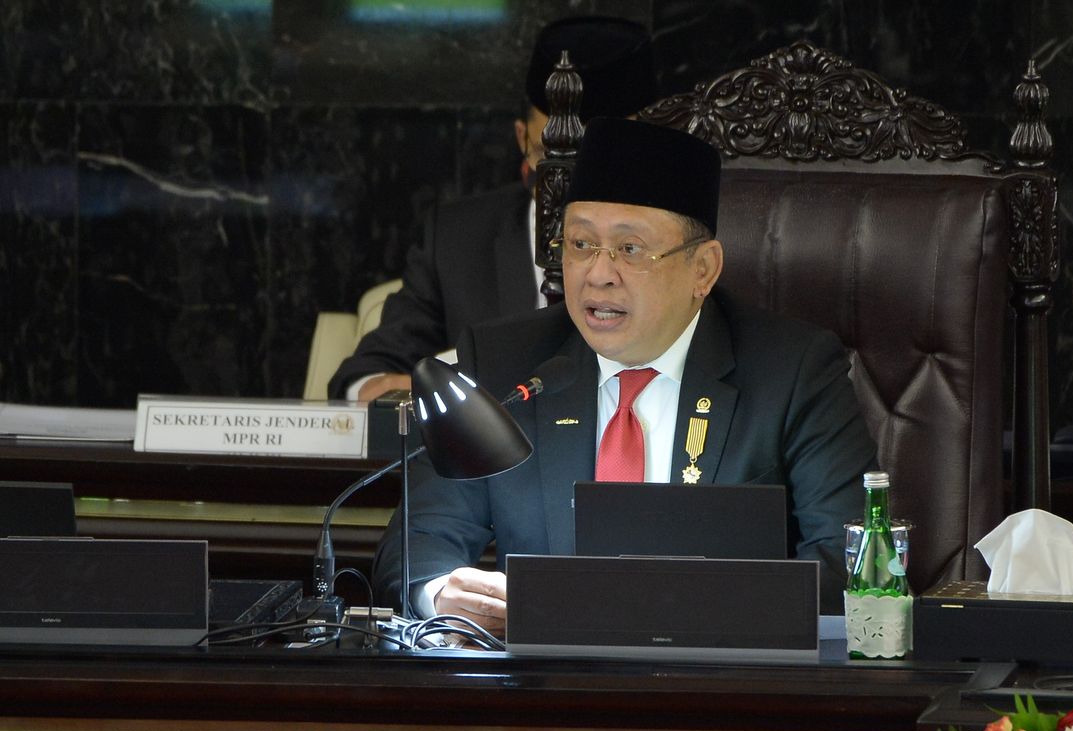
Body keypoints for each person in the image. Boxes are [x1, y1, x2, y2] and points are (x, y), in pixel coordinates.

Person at [372, 118, 878, 631]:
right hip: (544, 693)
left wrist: (674, 612)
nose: (598, 274)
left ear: (703, 269)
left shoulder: (792, 370)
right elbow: (418, 542)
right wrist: (440, 595)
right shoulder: (507, 364)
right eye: (580, 245)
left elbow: (851, 562)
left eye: (629, 249)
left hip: (722, 689)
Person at [327, 16, 657, 402]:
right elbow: (365, 377)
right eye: (552, 156)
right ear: (523, 138)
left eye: (598, 161)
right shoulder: (458, 239)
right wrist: (415, 389)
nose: (572, 185)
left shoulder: (694, 237)